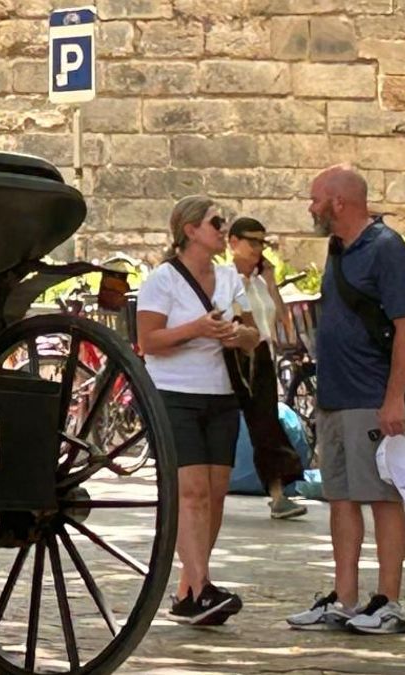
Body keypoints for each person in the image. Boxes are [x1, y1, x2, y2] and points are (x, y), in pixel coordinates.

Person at [286, 165, 405, 635]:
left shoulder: (386, 250)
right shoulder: (339, 249)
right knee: (340, 496)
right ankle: (344, 599)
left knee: (382, 497)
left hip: (371, 395)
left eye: (316, 198)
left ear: (339, 202)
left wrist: (395, 399)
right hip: (335, 396)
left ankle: (389, 601)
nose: (311, 206)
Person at [135, 195, 260, 626]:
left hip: (221, 394)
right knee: (191, 493)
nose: (224, 230)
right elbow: (148, 341)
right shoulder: (162, 280)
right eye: (216, 222)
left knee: (216, 492)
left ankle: (190, 589)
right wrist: (197, 329)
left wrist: (235, 334)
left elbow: (253, 336)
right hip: (173, 393)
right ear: (190, 231)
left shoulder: (229, 279)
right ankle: (203, 586)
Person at [228, 217, 307, 520]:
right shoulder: (225, 279)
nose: (258, 248)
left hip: (261, 355)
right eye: (252, 241)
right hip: (236, 354)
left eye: (262, 242)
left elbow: (282, 322)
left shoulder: (260, 281)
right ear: (233, 242)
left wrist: (271, 280)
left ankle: (278, 494)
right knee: (230, 424)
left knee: (266, 425)